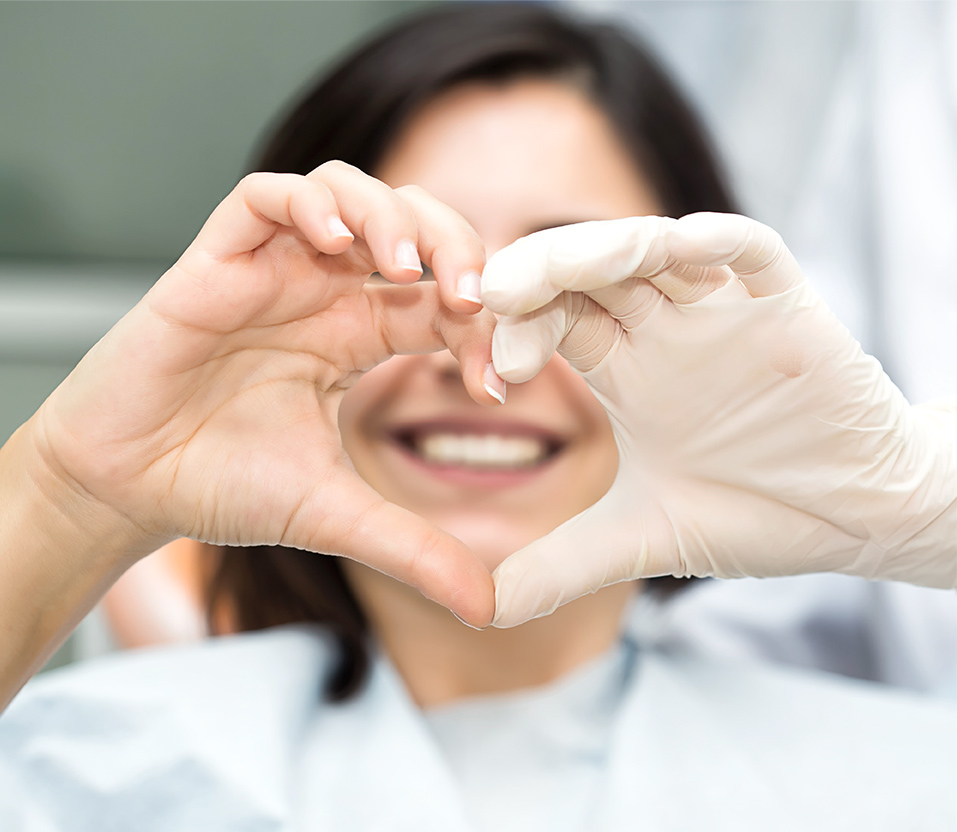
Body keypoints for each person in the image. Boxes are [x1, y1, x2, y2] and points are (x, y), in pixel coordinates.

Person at [0, 4, 954, 829]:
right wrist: (66, 498)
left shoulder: (909, 784)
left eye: (572, 282)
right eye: (409, 270)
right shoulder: (69, 767)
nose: (484, 354)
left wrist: (933, 520)